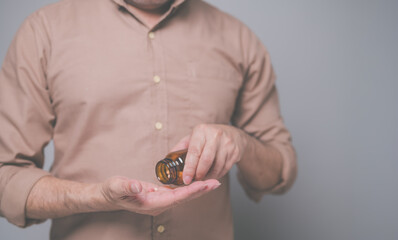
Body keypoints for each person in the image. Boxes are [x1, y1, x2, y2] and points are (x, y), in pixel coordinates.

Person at [0, 0, 297, 239]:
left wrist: (241, 143)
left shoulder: (238, 38)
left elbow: (279, 174)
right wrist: (97, 196)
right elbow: (6, 177)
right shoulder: (45, 30)